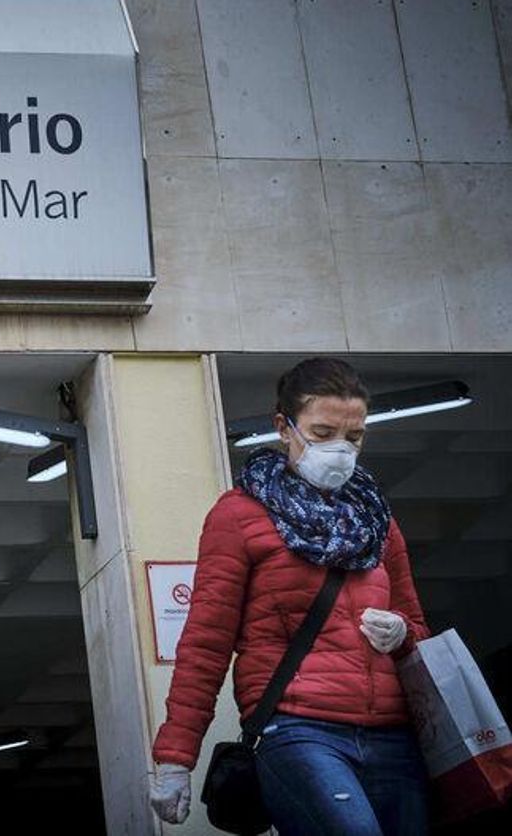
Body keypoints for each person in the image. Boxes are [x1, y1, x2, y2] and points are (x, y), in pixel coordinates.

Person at [148, 358, 431, 835]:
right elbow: (205, 642)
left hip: (393, 734)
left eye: (354, 437)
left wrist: (403, 635)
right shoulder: (239, 515)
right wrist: (175, 757)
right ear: (284, 427)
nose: (340, 450)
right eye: (322, 433)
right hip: (299, 729)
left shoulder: (377, 518)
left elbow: (418, 627)